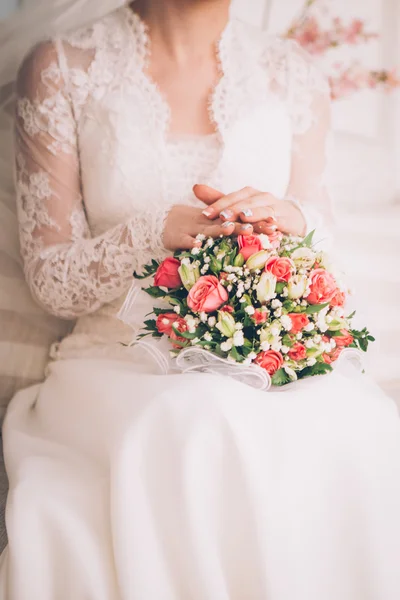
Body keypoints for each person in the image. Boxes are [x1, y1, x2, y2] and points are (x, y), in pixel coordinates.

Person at [0, 0, 400, 598]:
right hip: (121, 360)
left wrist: (292, 220)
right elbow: (52, 280)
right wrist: (149, 234)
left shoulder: (292, 74)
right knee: (196, 422)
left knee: (363, 423)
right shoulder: (60, 67)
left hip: (260, 356)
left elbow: (327, 246)